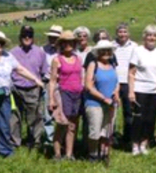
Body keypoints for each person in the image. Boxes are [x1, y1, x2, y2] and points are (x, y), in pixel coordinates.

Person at [0, 31, 44, 160]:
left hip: (5, 94)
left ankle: (5, 150)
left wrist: (35, 79)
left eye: (1, 43)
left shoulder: (8, 56)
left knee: (4, 123)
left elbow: (19, 69)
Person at [128, 25, 156, 156]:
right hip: (140, 89)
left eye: (154, 35)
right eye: (149, 35)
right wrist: (131, 92)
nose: (151, 38)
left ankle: (144, 143)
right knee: (139, 118)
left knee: (151, 119)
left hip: (155, 90)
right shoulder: (137, 51)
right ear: (144, 36)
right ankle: (135, 144)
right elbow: (131, 72)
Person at [9, 25, 48, 149]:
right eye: (25, 35)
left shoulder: (40, 52)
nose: (27, 37)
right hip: (16, 88)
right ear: (20, 37)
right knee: (15, 117)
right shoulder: (12, 53)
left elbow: (44, 71)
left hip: (33, 88)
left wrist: (41, 85)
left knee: (35, 117)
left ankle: (35, 141)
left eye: (30, 35)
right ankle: (15, 142)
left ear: (33, 37)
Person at [47, 31, 83, 161]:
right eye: (65, 42)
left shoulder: (78, 59)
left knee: (72, 126)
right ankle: (57, 153)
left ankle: (69, 154)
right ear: (61, 44)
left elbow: (81, 77)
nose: (68, 45)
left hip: (77, 93)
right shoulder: (57, 60)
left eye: (71, 42)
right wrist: (51, 99)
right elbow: (52, 81)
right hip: (64, 94)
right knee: (62, 124)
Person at [84, 40, 119, 164]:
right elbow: (88, 86)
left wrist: (116, 93)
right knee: (95, 132)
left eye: (108, 50)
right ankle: (93, 155)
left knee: (107, 131)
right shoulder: (93, 64)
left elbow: (117, 82)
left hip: (111, 104)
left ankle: (104, 153)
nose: (106, 53)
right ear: (98, 52)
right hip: (95, 104)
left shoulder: (112, 65)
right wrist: (104, 99)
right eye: (103, 50)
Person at [113, 23, 138, 146]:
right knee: (112, 111)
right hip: (114, 82)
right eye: (120, 32)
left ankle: (127, 138)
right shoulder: (112, 46)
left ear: (128, 33)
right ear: (116, 33)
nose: (122, 34)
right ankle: (111, 138)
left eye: (124, 32)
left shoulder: (134, 46)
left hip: (128, 82)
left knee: (128, 112)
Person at [42, 25, 63, 147]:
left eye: (55, 38)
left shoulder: (66, 51)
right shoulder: (42, 50)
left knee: (62, 113)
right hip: (47, 82)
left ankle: (61, 139)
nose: (52, 40)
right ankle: (50, 140)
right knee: (47, 113)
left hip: (62, 84)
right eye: (51, 37)